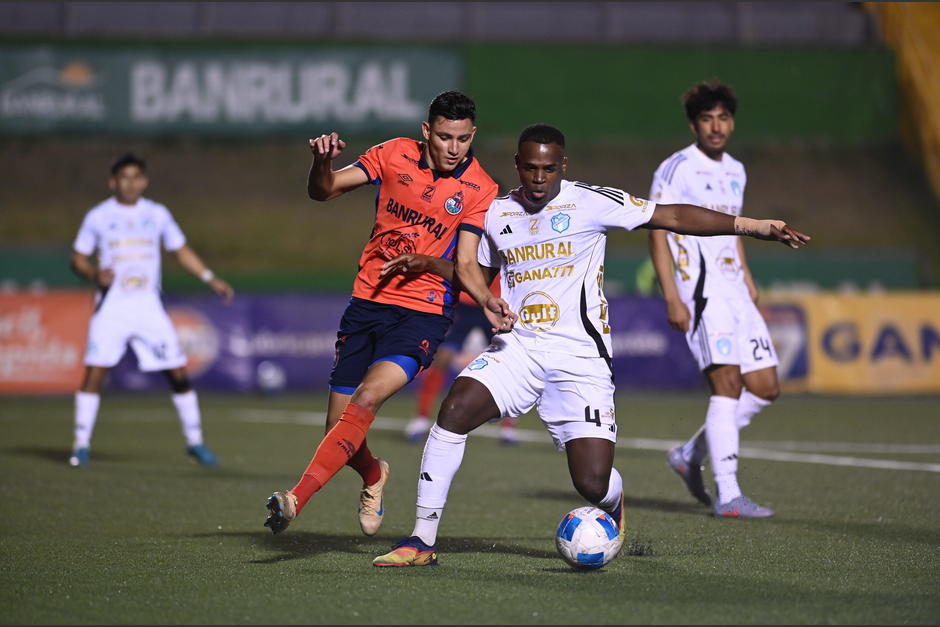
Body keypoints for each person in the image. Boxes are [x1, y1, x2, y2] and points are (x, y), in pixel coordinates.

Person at [373, 123, 809, 566]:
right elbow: (476, 276)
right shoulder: (497, 212)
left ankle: (614, 502)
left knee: (591, 482)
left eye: (548, 168)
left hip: (580, 358)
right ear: (517, 165)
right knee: (454, 411)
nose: (539, 177)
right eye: (530, 168)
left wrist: (752, 226)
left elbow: (672, 216)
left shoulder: (591, 201)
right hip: (519, 348)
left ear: (563, 165)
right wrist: (428, 263)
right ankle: (422, 541)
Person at [263, 90, 512, 538]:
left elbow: (469, 263)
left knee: (366, 399)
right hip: (367, 303)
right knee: (338, 428)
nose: (453, 148)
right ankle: (374, 474)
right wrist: (321, 163)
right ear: (426, 132)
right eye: (443, 137)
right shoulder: (392, 154)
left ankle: (296, 498)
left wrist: (487, 299)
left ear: (472, 134)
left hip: (423, 313)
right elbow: (325, 191)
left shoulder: (481, 187)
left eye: (462, 138)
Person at [648, 80, 784, 518]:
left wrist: (747, 277)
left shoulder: (737, 170)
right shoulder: (676, 168)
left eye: (723, 118)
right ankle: (728, 494)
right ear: (694, 125)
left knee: (765, 388)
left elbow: (734, 227)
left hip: (735, 291)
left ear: (732, 122)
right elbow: (657, 229)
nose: (716, 126)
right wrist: (671, 294)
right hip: (701, 292)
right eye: (707, 119)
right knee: (726, 385)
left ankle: (689, 454)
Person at [69, 153, 234, 468]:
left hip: (147, 307)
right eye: (124, 177)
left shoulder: (157, 214)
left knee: (177, 371)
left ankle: (195, 442)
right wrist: (93, 274)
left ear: (144, 181)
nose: (131, 183)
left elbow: (179, 250)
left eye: (136, 177)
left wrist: (210, 278)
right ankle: (80, 444)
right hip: (112, 308)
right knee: (95, 372)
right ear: (112, 182)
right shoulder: (99, 216)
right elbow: (77, 258)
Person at [404, 277, 520, 446]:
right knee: (441, 359)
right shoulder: (468, 249)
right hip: (466, 306)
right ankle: (421, 419)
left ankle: (508, 427)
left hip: (495, 303)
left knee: (509, 362)